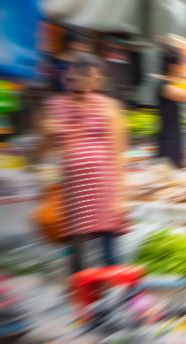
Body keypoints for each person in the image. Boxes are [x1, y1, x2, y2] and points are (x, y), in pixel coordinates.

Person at [38, 53, 127, 273]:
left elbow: (117, 154)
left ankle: (112, 296)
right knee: (77, 253)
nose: (90, 82)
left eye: (94, 78)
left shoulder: (109, 106)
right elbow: (38, 154)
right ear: (71, 75)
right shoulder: (56, 105)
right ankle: (82, 296)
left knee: (110, 251)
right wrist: (48, 135)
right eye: (82, 76)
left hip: (103, 187)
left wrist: (121, 197)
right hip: (74, 189)